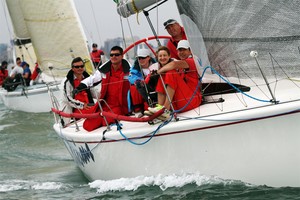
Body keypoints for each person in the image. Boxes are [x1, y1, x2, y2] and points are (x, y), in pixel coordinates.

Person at [74, 46, 131, 131]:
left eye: (116, 54)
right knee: (87, 126)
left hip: (120, 106)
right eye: (111, 55)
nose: (113, 57)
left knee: (106, 122)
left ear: (122, 56)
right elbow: (92, 79)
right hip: (104, 104)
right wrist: (81, 86)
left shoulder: (129, 70)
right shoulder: (105, 70)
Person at [147, 40, 202, 119]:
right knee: (164, 74)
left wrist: (158, 72)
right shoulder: (181, 66)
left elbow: (173, 64)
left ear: (190, 51)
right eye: (179, 50)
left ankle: (165, 109)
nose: (181, 52)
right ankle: (160, 108)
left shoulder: (192, 61)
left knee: (170, 73)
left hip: (192, 100)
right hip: (182, 100)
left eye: (184, 50)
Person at [60, 57, 95, 126]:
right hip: (75, 110)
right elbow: (68, 99)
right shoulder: (67, 82)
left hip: (89, 108)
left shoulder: (88, 78)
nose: (80, 68)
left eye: (81, 66)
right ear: (72, 68)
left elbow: (94, 92)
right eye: (77, 67)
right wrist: (82, 105)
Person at [128, 48, 157, 117]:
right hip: (143, 89)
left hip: (155, 88)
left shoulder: (156, 66)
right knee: (134, 87)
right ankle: (138, 110)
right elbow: (131, 78)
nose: (140, 60)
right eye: (139, 58)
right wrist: (141, 81)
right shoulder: (134, 70)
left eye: (143, 58)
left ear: (148, 57)